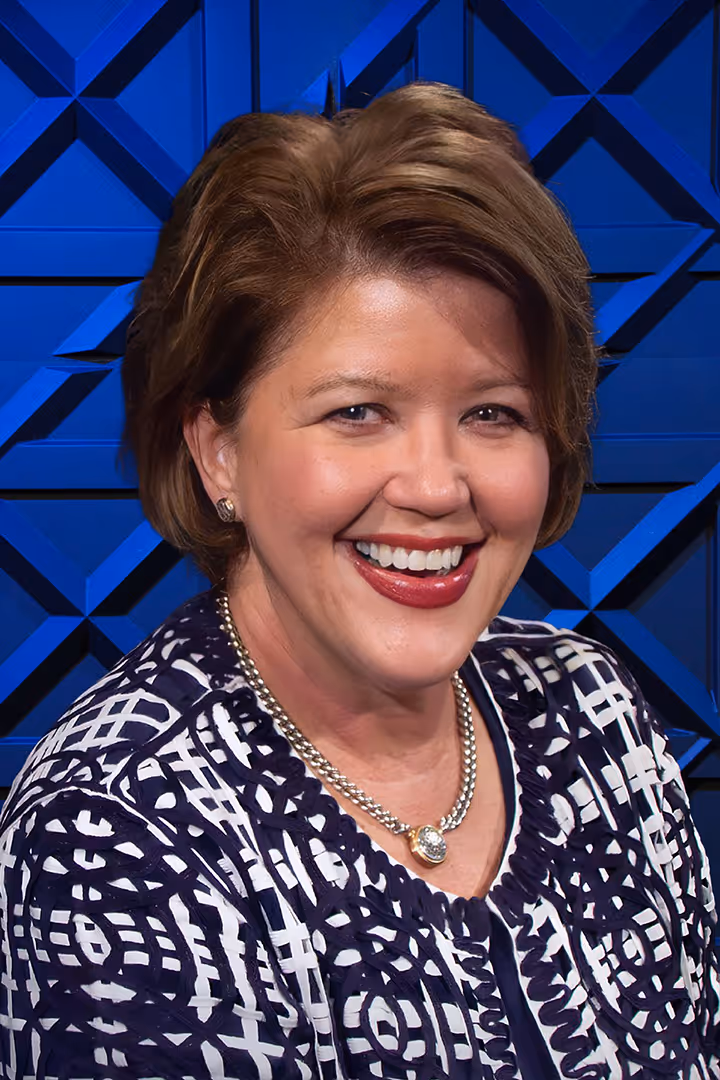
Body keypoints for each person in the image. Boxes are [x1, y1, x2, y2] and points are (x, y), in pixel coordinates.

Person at [0, 81, 717, 1080]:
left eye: (494, 413)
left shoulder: (589, 709)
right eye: (357, 413)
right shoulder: (117, 826)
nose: (436, 487)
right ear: (216, 450)